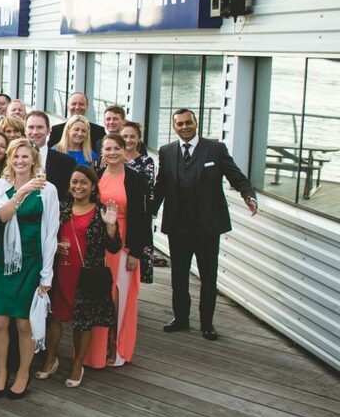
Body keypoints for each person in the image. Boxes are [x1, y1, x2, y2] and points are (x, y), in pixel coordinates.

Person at [152, 108, 257, 340]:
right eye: (180, 124)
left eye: (188, 122)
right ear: (174, 127)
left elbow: (235, 176)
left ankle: (207, 324)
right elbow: (161, 186)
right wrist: (147, 212)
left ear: (196, 123)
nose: (185, 127)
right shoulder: (167, 151)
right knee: (178, 277)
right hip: (178, 226)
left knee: (208, 277)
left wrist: (248, 194)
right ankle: (180, 318)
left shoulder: (215, 149)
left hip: (208, 227)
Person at [37, 167, 121, 388]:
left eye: (84, 182)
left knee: (82, 323)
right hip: (59, 272)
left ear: (93, 186)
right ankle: (51, 359)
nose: (78, 187)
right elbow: (45, 236)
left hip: (87, 275)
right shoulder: (61, 208)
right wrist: (55, 246)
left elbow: (114, 248)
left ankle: (77, 365)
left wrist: (111, 226)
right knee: (54, 319)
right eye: (74, 182)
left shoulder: (102, 211)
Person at [0, 139, 59, 399]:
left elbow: (51, 233)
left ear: (34, 160)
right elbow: (2, 216)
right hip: (4, 261)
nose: (20, 161)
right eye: (16, 156)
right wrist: (21, 192)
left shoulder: (47, 190)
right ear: (10, 159)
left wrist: (47, 274)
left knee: (24, 324)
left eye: (25, 157)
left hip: (32, 261)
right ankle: (0, 372)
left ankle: (22, 373)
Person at [82, 133, 151, 369]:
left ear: (124, 150)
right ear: (101, 152)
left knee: (119, 298)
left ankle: (117, 348)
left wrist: (136, 252)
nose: (111, 153)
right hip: (98, 245)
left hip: (124, 244)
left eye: (116, 148)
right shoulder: (96, 176)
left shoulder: (136, 180)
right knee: (100, 297)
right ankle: (96, 352)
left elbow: (143, 218)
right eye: (107, 149)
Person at [119, 120, 157, 283]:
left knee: (135, 257)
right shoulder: (111, 158)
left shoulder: (146, 162)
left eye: (132, 137)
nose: (128, 140)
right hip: (117, 212)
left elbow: (148, 189)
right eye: (125, 136)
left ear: (139, 139)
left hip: (137, 213)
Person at [25, 111, 75, 200]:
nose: (35, 132)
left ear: (48, 131)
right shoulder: (13, 159)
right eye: (31, 127)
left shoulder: (66, 162)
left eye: (40, 127)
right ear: (25, 131)